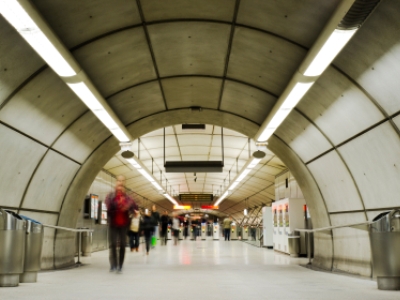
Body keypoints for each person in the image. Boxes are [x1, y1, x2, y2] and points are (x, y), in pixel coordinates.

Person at [105, 175, 138, 273]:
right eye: (119, 180)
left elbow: (134, 207)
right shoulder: (111, 196)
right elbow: (108, 207)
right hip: (113, 224)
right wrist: (118, 204)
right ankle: (113, 264)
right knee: (113, 244)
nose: (121, 182)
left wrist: (134, 211)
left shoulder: (128, 198)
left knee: (123, 245)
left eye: (123, 181)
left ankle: (120, 265)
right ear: (116, 182)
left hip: (124, 224)